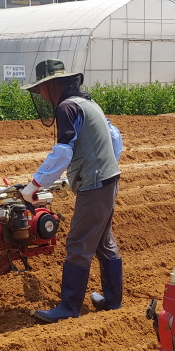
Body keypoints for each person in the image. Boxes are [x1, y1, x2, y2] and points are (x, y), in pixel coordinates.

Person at [19, 59, 124, 324]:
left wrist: (34, 185)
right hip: (108, 179)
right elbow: (114, 136)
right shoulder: (88, 104)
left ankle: (68, 307)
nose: (41, 94)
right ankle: (112, 301)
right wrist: (101, 164)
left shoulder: (67, 107)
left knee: (78, 244)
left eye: (42, 88)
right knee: (102, 241)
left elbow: (63, 151)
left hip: (96, 183)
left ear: (52, 85)